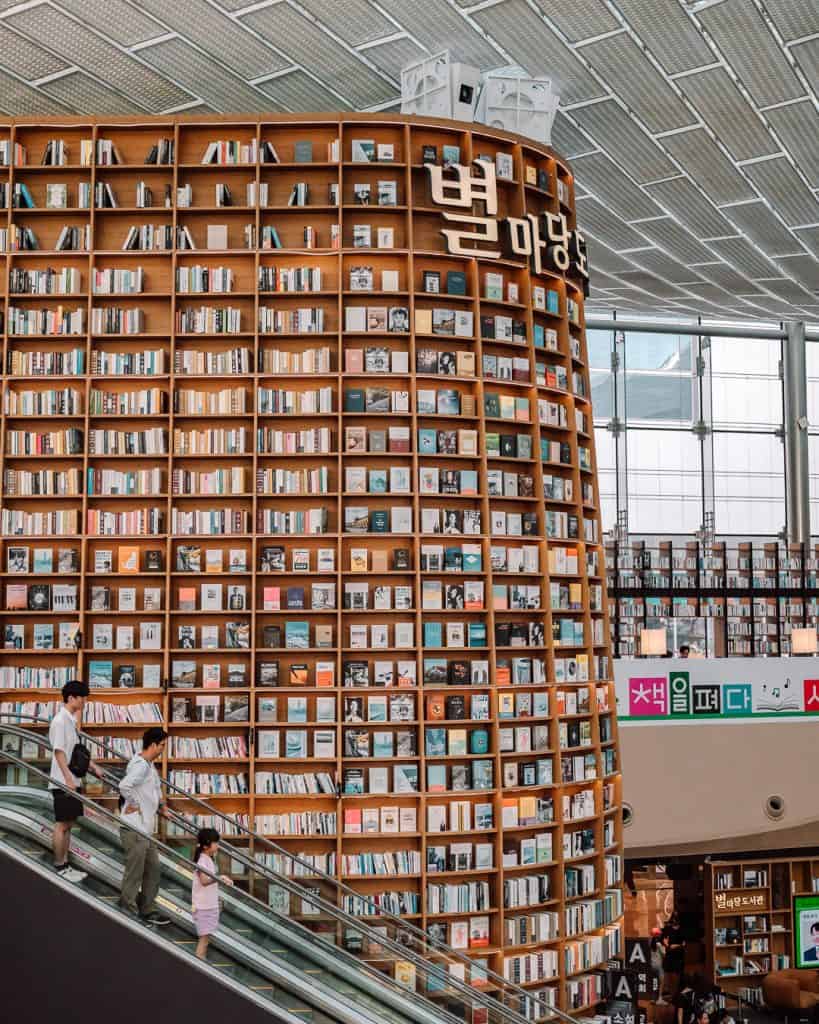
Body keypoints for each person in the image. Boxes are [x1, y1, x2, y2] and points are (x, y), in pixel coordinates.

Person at [48, 679, 104, 882]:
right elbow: (59, 752)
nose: (84, 702)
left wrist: (93, 767)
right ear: (71, 697)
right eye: (82, 698)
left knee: (69, 823)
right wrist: (67, 779)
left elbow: (75, 753)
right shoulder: (60, 721)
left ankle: (65, 864)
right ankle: (59, 865)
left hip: (72, 780)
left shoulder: (70, 721)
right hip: (63, 782)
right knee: (62, 824)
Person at [118, 726, 170, 925]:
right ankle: (128, 911)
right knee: (135, 872)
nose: (164, 749)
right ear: (154, 744)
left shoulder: (149, 765)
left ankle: (148, 909)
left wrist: (162, 807)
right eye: (163, 745)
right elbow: (124, 786)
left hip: (145, 831)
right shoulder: (140, 765)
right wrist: (134, 803)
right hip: (134, 828)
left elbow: (155, 789)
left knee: (153, 869)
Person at [191, 827, 233, 959]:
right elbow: (204, 880)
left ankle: (200, 966)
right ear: (206, 845)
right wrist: (220, 878)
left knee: (205, 941)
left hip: (208, 905)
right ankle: (199, 967)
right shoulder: (202, 860)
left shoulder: (207, 859)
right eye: (216, 842)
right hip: (204, 907)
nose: (218, 845)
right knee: (203, 942)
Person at [650, 929, 667, 1004]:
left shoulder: (650, 943)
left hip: (652, 965)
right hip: (659, 965)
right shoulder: (659, 945)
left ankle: (653, 998)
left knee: (654, 982)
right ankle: (660, 999)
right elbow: (664, 954)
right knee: (661, 983)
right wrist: (666, 944)